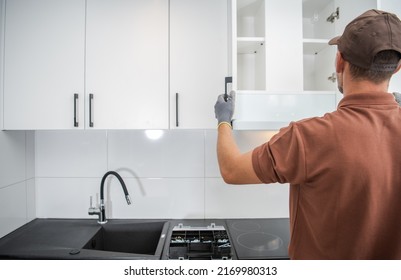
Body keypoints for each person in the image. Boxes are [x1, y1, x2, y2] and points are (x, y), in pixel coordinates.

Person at [214, 9, 401, 259]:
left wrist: (223, 120)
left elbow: (232, 170)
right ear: (397, 68)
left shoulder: (309, 136)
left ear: (339, 61)